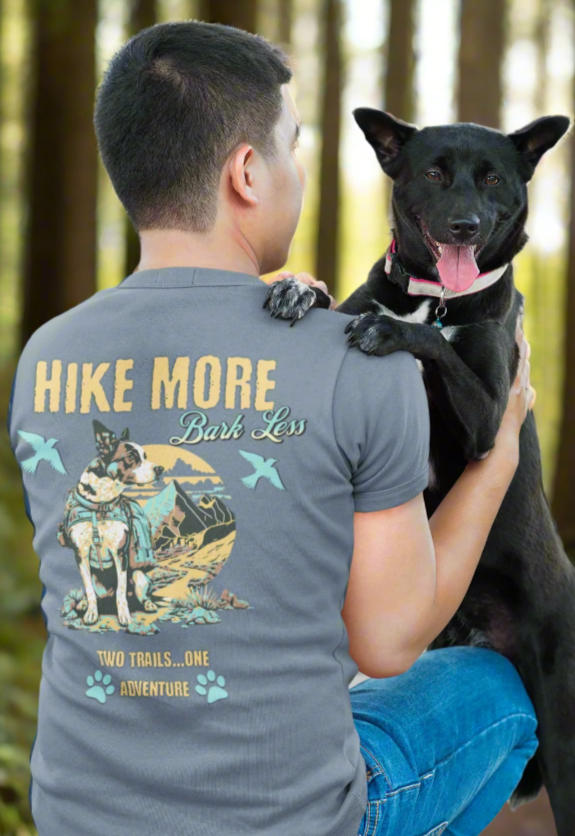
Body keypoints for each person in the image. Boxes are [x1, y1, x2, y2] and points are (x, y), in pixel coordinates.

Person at [7, 20, 537, 836]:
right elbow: (390, 644)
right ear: (247, 173)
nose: (298, 169)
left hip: (81, 814)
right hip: (289, 818)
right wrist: (494, 461)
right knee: (496, 693)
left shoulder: (47, 355)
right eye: (291, 147)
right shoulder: (361, 362)